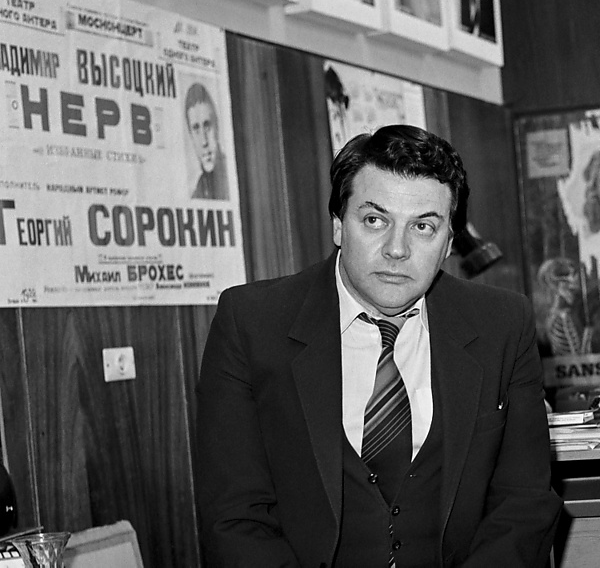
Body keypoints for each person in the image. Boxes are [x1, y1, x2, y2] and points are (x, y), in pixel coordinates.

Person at [196, 124, 562, 567]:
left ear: (448, 242)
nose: (396, 249)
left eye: (423, 227)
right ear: (338, 225)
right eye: (375, 220)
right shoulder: (252, 322)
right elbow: (234, 516)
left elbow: (524, 502)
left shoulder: (503, 323)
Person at [184, 82, 229, 200]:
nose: (204, 142)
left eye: (207, 126)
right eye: (196, 129)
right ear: (191, 136)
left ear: (217, 126)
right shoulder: (197, 195)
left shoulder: (232, 178)